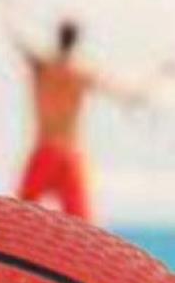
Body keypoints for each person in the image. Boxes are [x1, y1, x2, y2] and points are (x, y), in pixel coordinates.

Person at [9, 17, 146, 223]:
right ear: (76, 42)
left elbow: (19, 40)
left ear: (59, 38)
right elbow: (125, 94)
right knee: (83, 226)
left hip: (47, 151)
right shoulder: (79, 74)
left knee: (17, 217)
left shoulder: (44, 68)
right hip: (68, 154)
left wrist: (3, 4)